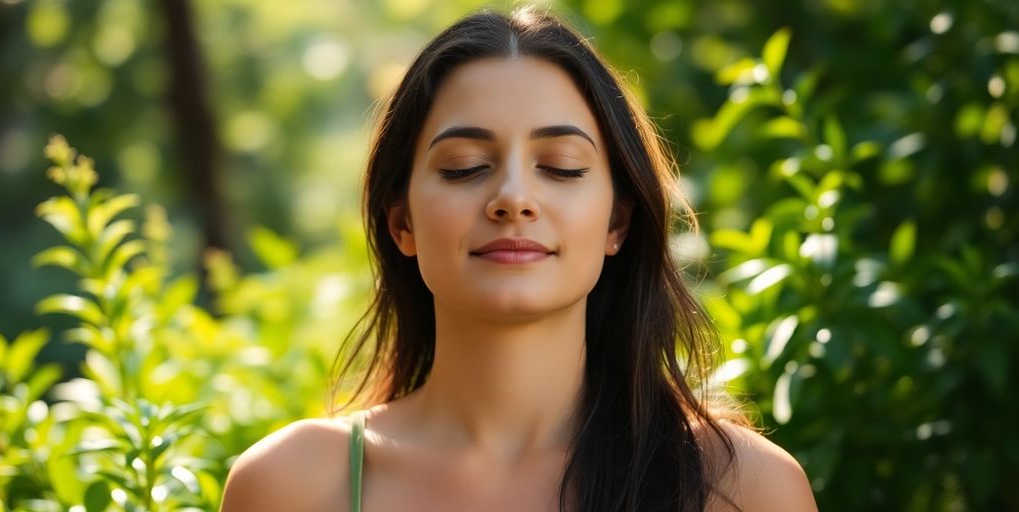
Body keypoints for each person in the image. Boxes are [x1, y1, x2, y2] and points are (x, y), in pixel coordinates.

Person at [220, 5, 816, 511]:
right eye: (465, 168)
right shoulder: (289, 485)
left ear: (617, 222)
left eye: (561, 167)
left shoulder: (743, 488)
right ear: (402, 223)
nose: (513, 198)